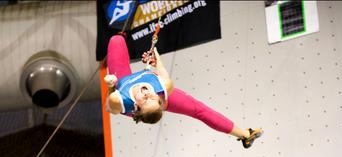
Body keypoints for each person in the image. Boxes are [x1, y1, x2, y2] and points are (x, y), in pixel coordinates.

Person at [104, 35, 263, 148]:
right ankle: (245, 134)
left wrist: (111, 86)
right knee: (198, 109)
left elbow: (110, 105)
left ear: (137, 107)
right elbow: (161, 70)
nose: (147, 95)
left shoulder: (121, 99)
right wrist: (155, 60)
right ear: (160, 100)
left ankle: (245, 135)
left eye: (145, 100)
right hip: (154, 89)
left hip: (121, 83)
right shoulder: (164, 87)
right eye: (152, 98)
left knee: (116, 40)